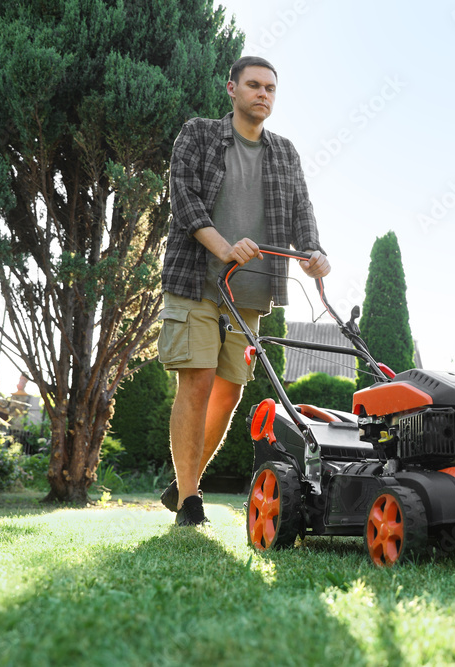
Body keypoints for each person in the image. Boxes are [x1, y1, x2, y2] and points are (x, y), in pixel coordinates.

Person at [158, 56, 330, 526]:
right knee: (196, 381)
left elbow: (302, 212)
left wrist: (314, 253)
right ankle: (191, 499)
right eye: (253, 85)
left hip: (250, 293)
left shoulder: (284, 153)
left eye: (270, 88)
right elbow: (184, 198)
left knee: (229, 392)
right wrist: (224, 248)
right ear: (231, 89)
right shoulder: (198, 134)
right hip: (195, 279)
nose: (263, 94)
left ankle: (183, 476)